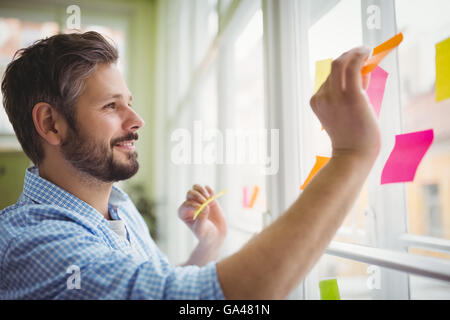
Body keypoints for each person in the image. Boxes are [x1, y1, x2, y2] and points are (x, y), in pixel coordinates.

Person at [0, 31, 379, 299]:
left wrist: (206, 248)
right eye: (111, 106)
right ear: (51, 124)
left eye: (128, 102)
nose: (136, 120)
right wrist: (351, 155)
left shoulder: (117, 206)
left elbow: (151, 287)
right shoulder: (31, 243)